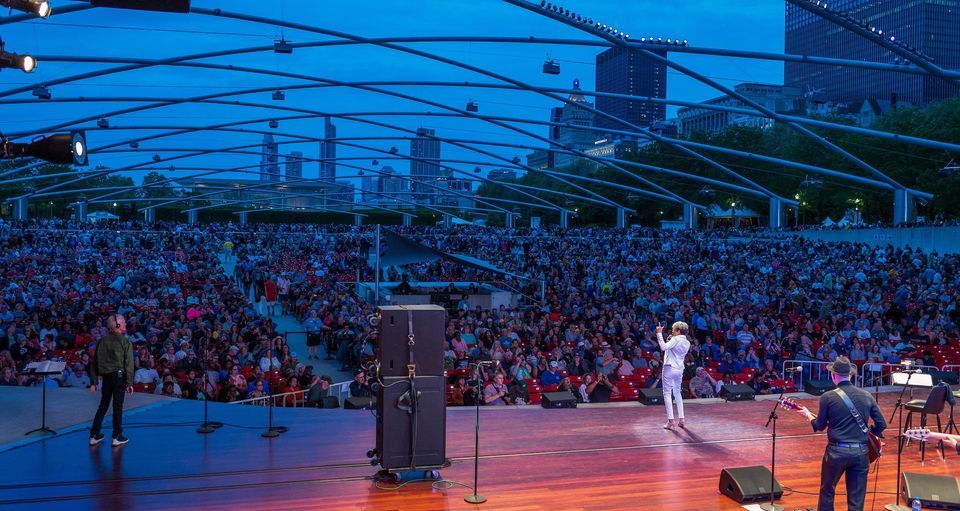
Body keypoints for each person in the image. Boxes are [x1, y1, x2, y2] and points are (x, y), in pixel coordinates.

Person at [789, 356, 886, 511]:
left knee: (827, 491)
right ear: (851, 375)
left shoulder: (828, 397)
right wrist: (869, 433)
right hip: (861, 452)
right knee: (856, 499)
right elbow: (882, 424)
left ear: (833, 376)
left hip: (836, 452)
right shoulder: (866, 395)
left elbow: (820, 425)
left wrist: (808, 415)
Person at [89, 314, 135, 447]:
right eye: (124, 322)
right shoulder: (125, 341)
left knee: (103, 405)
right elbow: (129, 364)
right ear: (118, 325)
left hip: (106, 377)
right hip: (119, 377)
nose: (126, 324)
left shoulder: (101, 341)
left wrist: (94, 381)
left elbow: (93, 362)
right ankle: (117, 436)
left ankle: (94, 434)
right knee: (117, 406)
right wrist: (130, 383)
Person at [657, 321, 691, 429]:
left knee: (667, 393)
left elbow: (663, 347)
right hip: (679, 369)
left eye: (673, 330)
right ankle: (682, 419)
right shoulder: (687, 342)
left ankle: (671, 420)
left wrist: (659, 333)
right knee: (677, 392)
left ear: (678, 331)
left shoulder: (675, 339)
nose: (672, 331)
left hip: (669, 367)